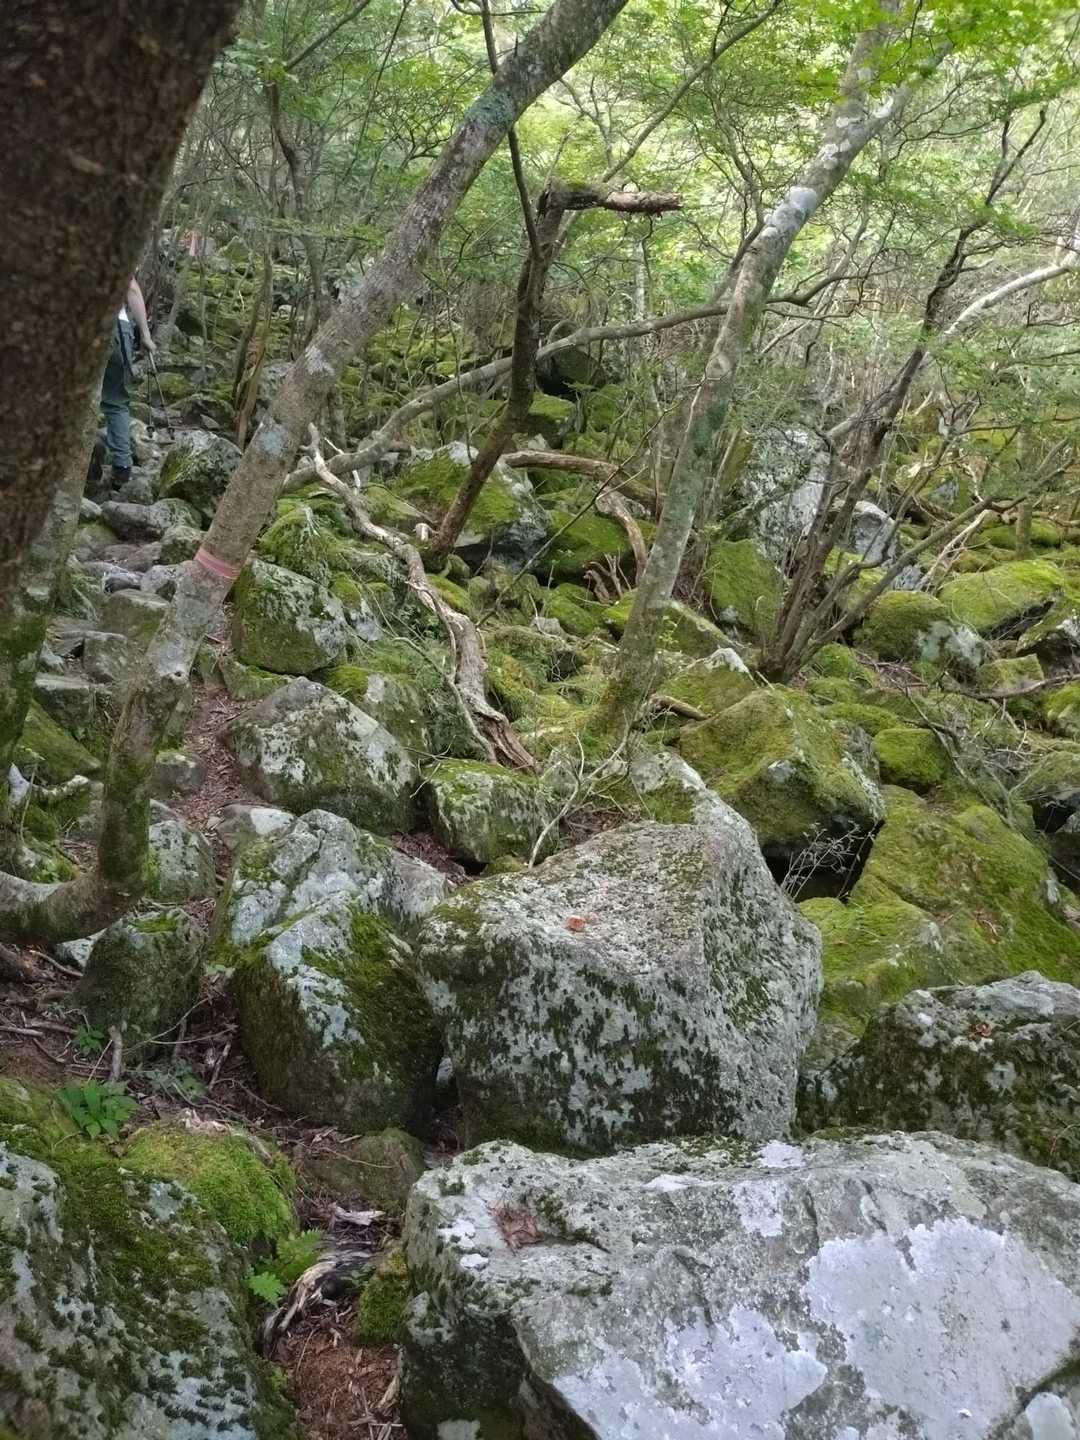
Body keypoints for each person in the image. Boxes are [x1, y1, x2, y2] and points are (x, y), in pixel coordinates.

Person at [101, 277, 156, 486]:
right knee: (116, 402)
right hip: (118, 329)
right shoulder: (118, 257)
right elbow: (131, 289)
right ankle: (122, 467)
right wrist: (145, 334)